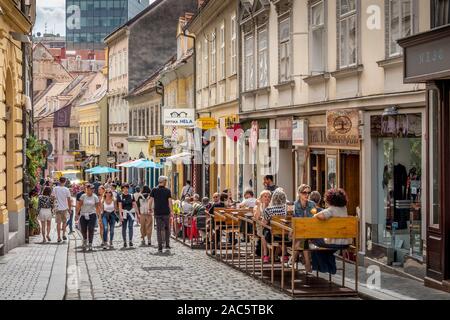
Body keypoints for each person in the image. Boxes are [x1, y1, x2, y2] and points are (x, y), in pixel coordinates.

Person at [306, 189, 351, 275]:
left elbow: (320, 216)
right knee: (325, 249)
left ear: (330, 200)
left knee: (313, 242)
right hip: (345, 242)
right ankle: (330, 266)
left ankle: (324, 267)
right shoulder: (344, 209)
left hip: (334, 242)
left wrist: (315, 214)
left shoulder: (332, 209)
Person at [262, 188, 288, 263]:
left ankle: (266, 255)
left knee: (263, 231)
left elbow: (264, 223)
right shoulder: (287, 209)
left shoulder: (268, 210)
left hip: (272, 236)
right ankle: (284, 255)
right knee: (282, 234)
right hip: (286, 235)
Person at [149, 176, 174, 253]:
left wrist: (149, 208)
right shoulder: (167, 190)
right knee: (167, 229)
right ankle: (167, 245)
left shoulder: (154, 190)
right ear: (164, 181)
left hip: (157, 212)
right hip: (166, 212)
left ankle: (160, 247)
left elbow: (150, 200)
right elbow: (170, 202)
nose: (166, 182)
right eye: (166, 181)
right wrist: (172, 211)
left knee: (159, 230)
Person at [76, 184, 100, 251]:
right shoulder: (83, 196)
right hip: (83, 214)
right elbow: (79, 205)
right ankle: (85, 240)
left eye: (91, 189)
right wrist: (76, 214)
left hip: (92, 214)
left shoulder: (95, 197)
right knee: (83, 229)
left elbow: (97, 207)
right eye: (88, 189)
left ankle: (90, 244)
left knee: (91, 228)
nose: (90, 190)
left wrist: (99, 216)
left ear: (93, 190)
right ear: (86, 189)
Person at [254, 190, 272, 262]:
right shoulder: (257, 207)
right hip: (260, 227)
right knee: (263, 234)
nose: (267, 198)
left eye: (269, 197)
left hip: (270, 226)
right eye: (265, 196)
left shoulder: (272, 206)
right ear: (261, 198)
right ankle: (265, 254)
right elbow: (256, 217)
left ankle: (275, 254)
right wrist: (259, 205)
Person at [53, 177, 72, 243]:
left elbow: (52, 197)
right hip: (64, 208)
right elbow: (69, 200)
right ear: (65, 181)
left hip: (58, 208)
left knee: (58, 223)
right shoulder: (66, 189)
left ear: (59, 181)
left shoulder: (55, 188)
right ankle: (63, 234)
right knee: (64, 222)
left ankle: (58, 237)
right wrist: (70, 209)